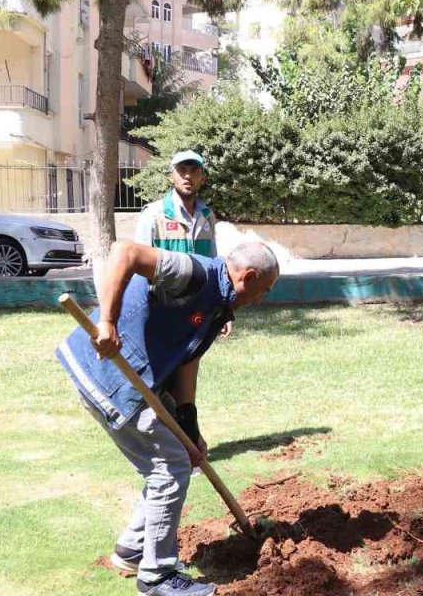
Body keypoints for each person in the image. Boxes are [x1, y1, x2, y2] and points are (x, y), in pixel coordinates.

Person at [55, 241, 279, 596]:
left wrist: (190, 427)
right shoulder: (195, 274)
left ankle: (132, 549)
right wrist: (108, 322)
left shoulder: (218, 305)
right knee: (169, 467)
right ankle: (157, 577)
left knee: (175, 459)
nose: (260, 299)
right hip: (109, 374)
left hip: (136, 382)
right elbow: (125, 253)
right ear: (247, 277)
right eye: (263, 290)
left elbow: (188, 361)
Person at [135, 151, 233, 335]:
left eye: (194, 171)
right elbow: (138, 268)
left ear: (202, 178)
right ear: (171, 176)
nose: (188, 176)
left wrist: (221, 312)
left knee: (190, 361)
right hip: (161, 308)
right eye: (181, 170)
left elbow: (212, 267)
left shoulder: (207, 216)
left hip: (196, 309)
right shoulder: (153, 214)